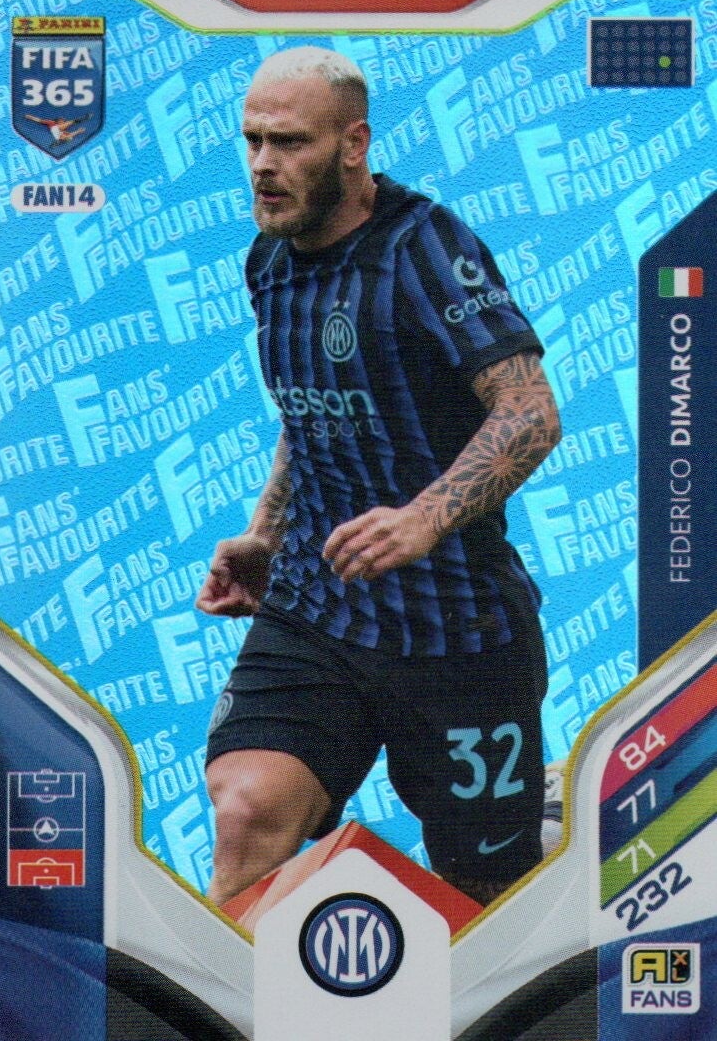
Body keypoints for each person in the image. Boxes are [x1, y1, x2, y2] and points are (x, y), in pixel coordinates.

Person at [196, 46, 561, 909]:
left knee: (484, 896)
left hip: (457, 631)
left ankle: (544, 824)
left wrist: (424, 518)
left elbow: (530, 413)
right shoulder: (269, 260)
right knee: (246, 812)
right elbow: (309, 407)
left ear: (354, 144)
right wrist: (265, 534)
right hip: (317, 610)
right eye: (252, 141)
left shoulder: (423, 248)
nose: (263, 165)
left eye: (289, 142)